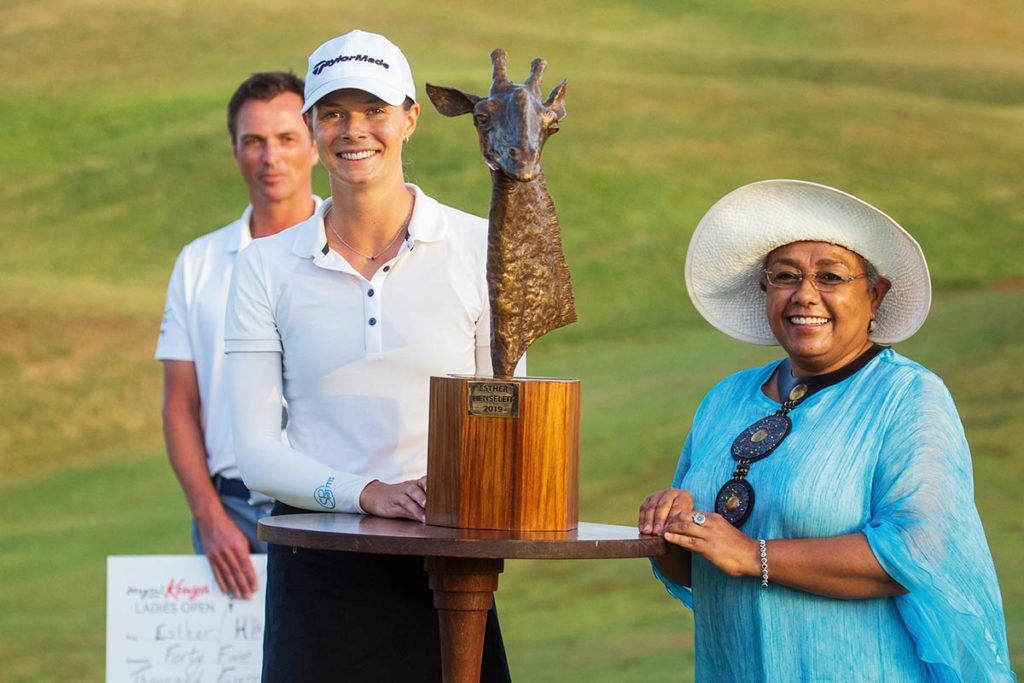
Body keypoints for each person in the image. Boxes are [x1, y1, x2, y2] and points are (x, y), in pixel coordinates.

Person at [638, 179, 1016, 682]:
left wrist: (754, 555)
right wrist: (670, 530)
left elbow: (917, 552)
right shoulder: (725, 399)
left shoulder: (906, 396)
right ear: (764, 290)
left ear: (875, 295)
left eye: (831, 277)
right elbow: (699, 567)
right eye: (785, 276)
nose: (805, 295)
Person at [223, 30, 513, 681]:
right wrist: (367, 493)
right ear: (312, 126)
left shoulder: (480, 245)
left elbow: (507, 411)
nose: (355, 130)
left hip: (448, 572)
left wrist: (453, 494)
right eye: (333, 113)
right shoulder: (264, 268)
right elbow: (257, 454)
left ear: (410, 118)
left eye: (374, 110)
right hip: (314, 567)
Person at [156, 71, 320, 600]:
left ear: (314, 144)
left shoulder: (348, 247)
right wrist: (209, 518)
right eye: (254, 141)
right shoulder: (198, 262)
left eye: (286, 138)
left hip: (330, 504)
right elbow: (180, 404)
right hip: (232, 514)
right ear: (234, 151)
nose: (270, 157)